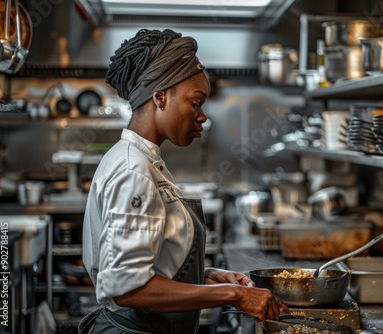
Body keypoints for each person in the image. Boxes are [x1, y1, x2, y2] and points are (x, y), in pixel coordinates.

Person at [79, 28, 288, 334]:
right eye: (196, 103)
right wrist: (233, 294)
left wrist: (205, 277)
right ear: (160, 97)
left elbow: (152, 266)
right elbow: (127, 289)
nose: (202, 116)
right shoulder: (133, 169)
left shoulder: (147, 162)